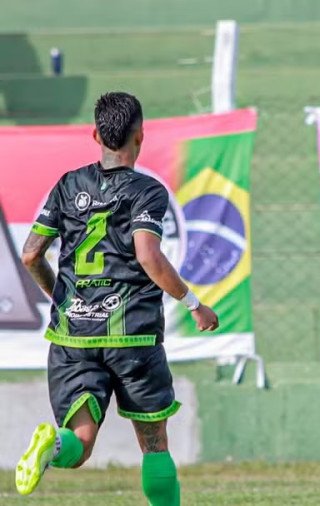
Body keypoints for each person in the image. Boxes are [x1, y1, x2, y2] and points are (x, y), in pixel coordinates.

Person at [15, 92, 219, 505]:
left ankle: (53, 445)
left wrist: (61, 297)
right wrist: (194, 303)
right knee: (155, 445)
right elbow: (148, 255)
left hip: (73, 338)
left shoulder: (69, 185)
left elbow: (31, 253)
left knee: (80, 443)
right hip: (133, 339)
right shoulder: (148, 191)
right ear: (140, 135)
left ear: (95, 135)